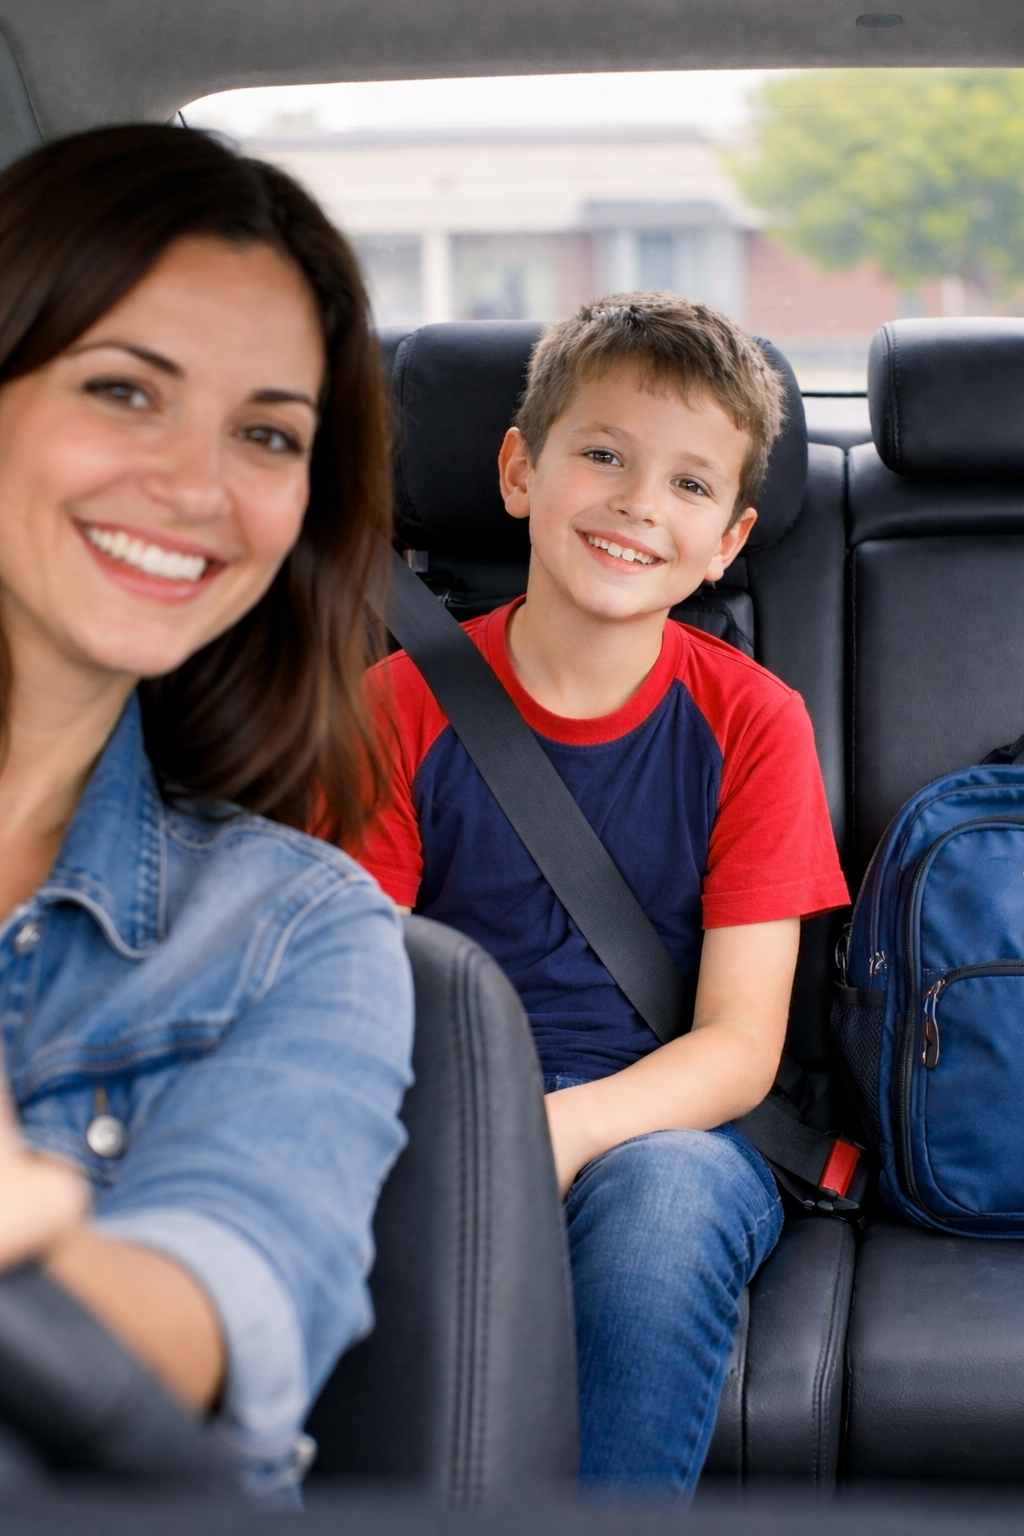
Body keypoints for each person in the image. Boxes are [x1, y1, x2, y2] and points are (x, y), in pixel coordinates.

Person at [353, 292, 849, 1496]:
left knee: (657, 1216)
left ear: (728, 541)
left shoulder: (752, 723)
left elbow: (737, 1046)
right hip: (454, 1099)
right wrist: (477, 1135)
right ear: (521, 471)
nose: (637, 504)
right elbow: (358, 986)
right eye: (604, 456)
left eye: (688, 486)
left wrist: (566, 1129)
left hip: (676, 1124)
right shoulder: (400, 706)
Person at [0, 124, 414, 1499]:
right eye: (125, 390)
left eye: (266, 434)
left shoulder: (297, 934)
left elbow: (208, 1318)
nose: (196, 489)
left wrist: (36, 1233)